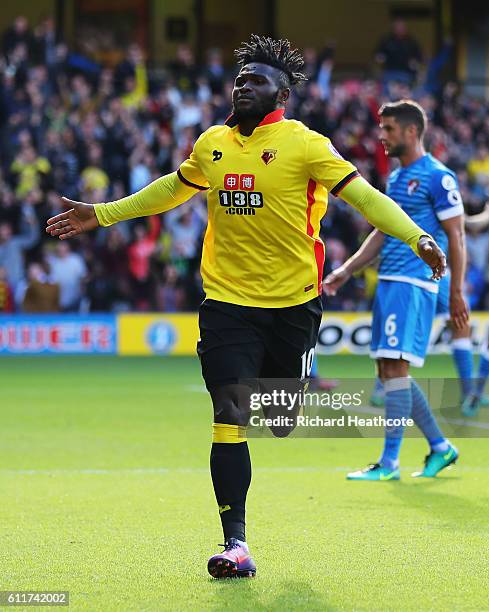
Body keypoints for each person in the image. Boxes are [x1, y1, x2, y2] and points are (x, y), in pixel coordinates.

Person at [46, 36, 446, 579]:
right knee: (229, 417)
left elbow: (366, 198)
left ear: (280, 93)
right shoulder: (213, 143)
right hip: (226, 302)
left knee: (280, 420)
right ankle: (235, 543)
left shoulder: (306, 145)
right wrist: (105, 213)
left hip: (292, 305)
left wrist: (419, 236)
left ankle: (289, 391)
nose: (241, 85)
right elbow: (171, 189)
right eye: (238, 79)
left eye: (254, 80)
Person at [325, 99, 463, 481]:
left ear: (411, 131)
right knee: (388, 370)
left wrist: (457, 293)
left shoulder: (438, 176)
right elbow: (383, 231)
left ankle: (389, 463)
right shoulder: (399, 178)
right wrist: (347, 270)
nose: (381, 136)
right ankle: (441, 447)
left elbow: (458, 236)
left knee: (395, 367)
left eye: (388, 129)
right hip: (390, 281)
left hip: (413, 282)